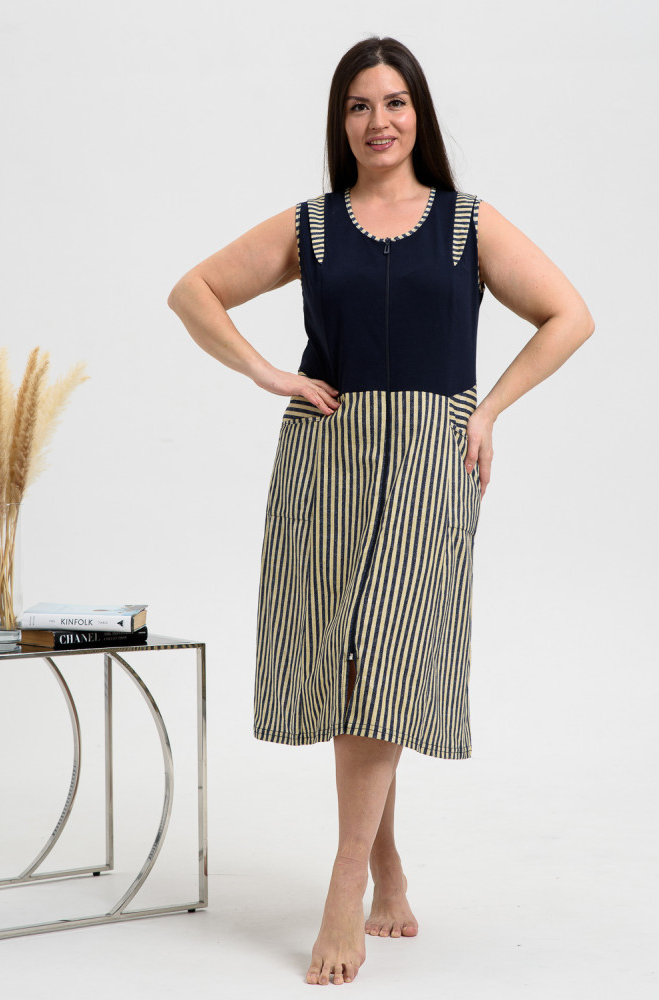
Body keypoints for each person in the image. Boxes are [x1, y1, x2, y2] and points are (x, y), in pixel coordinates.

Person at [168, 35, 594, 987]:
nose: (379, 121)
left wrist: (489, 408)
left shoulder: (466, 223)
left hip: (436, 460)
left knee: (393, 647)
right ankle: (388, 863)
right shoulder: (315, 226)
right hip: (330, 455)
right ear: (342, 121)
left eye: (395, 102)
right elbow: (192, 292)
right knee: (352, 658)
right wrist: (269, 372)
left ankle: (346, 876)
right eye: (359, 105)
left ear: (419, 114)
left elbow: (570, 315)